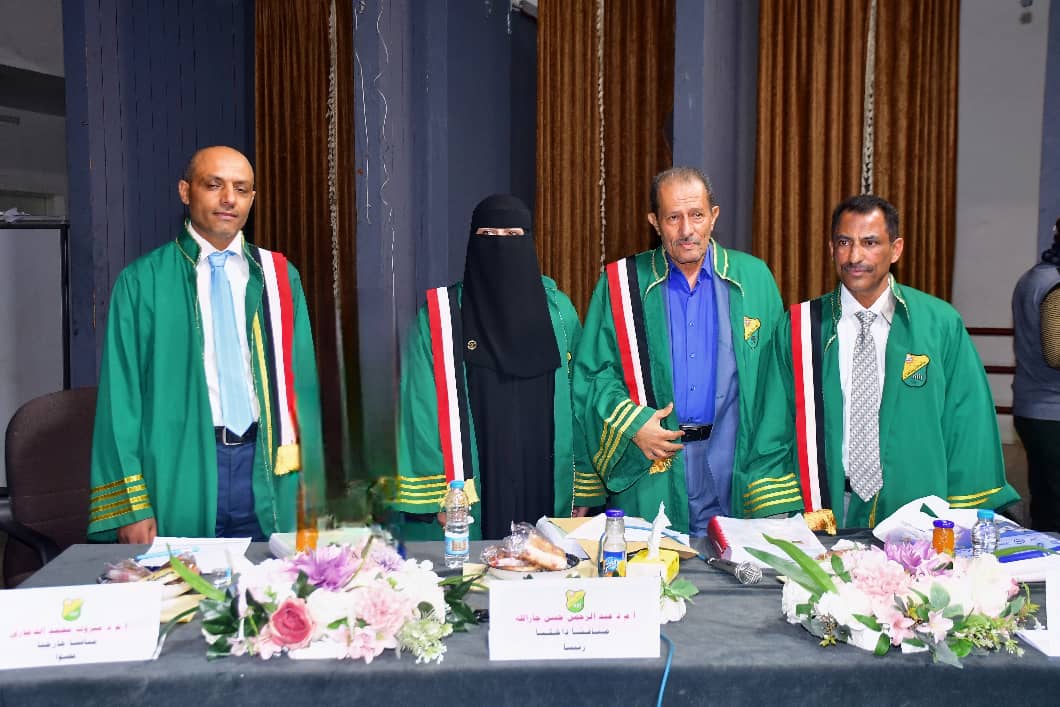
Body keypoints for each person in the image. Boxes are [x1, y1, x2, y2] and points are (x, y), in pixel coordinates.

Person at [88, 146, 324, 543]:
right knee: (183, 580)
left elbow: (303, 387)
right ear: (185, 191)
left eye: (241, 189)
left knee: (273, 579)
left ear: (252, 199)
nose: (229, 198)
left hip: (267, 464)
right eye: (214, 185)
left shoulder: (280, 277)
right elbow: (120, 401)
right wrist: (131, 507)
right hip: (180, 466)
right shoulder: (143, 281)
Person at [743, 194, 1018, 528]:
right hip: (824, 508)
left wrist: (961, 521)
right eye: (844, 242)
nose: (855, 256)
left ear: (896, 249)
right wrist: (780, 512)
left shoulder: (939, 324)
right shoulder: (800, 327)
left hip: (915, 511)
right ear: (831, 249)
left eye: (870, 242)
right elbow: (773, 425)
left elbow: (967, 426)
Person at [572, 167, 784, 539]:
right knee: (652, 571)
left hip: (735, 469)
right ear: (655, 222)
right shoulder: (622, 284)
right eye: (673, 218)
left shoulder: (754, 279)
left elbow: (778, 385)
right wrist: (633, 425)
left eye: (697, 215)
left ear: (714, 216)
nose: (687, 230)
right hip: (652, 469)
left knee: (734, 574)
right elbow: (593, 377)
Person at [393, 194, 601, 541]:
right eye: (488, 235)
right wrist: (439, 496)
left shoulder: (559, 314)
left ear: (529, 241)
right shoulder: (441, 318)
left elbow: (581, 402)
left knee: (542, 560)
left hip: (543, 468)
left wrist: (581, 488)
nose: (500, 245)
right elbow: (420, 410)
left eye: (512, 235)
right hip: (478, 474)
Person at [1012, 217, 1060, 531]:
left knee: (1046, 507)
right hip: (1052, 414)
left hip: (1035, 409)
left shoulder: (1035, 276)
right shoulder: (1055, 283)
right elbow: (1056, 352)